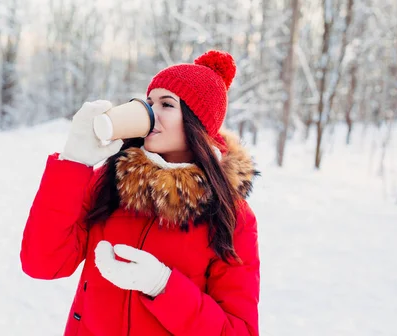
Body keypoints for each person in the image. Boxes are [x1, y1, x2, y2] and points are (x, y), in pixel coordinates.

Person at [20, 50, 260, 335]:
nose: (150, 113)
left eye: (167, 104)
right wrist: (73, 162)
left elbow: (238, 331)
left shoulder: (231, 216)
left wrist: (163, 286)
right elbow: (42, 263)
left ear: (199, 122)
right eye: (149, 102)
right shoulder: (110, 182)